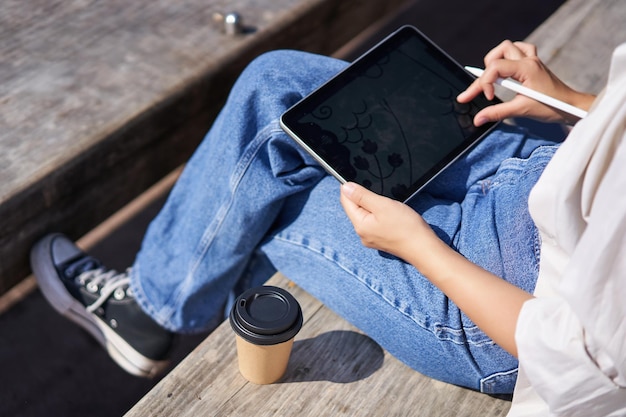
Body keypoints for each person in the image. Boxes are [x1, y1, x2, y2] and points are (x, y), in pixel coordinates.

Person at [30, 35, 625, 415]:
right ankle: (186, 291)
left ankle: (154, 310)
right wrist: (577, 104)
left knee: (274, 186)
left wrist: (418, 247)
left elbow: (575, 356)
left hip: (500, 306)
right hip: (550, 166)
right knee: (278, 86)